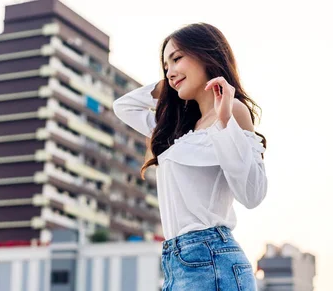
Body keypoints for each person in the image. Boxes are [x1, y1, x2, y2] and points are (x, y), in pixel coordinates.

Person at [112, 23, 268, 290]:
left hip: (212, 259)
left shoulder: (233, 111)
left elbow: (252, 193)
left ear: (206, 54)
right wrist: (170, 84)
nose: (170, 72)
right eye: (165, 66)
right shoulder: (180, 130)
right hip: (176, 262)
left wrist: (225, 122)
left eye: (177, 59)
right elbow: (123, 106)